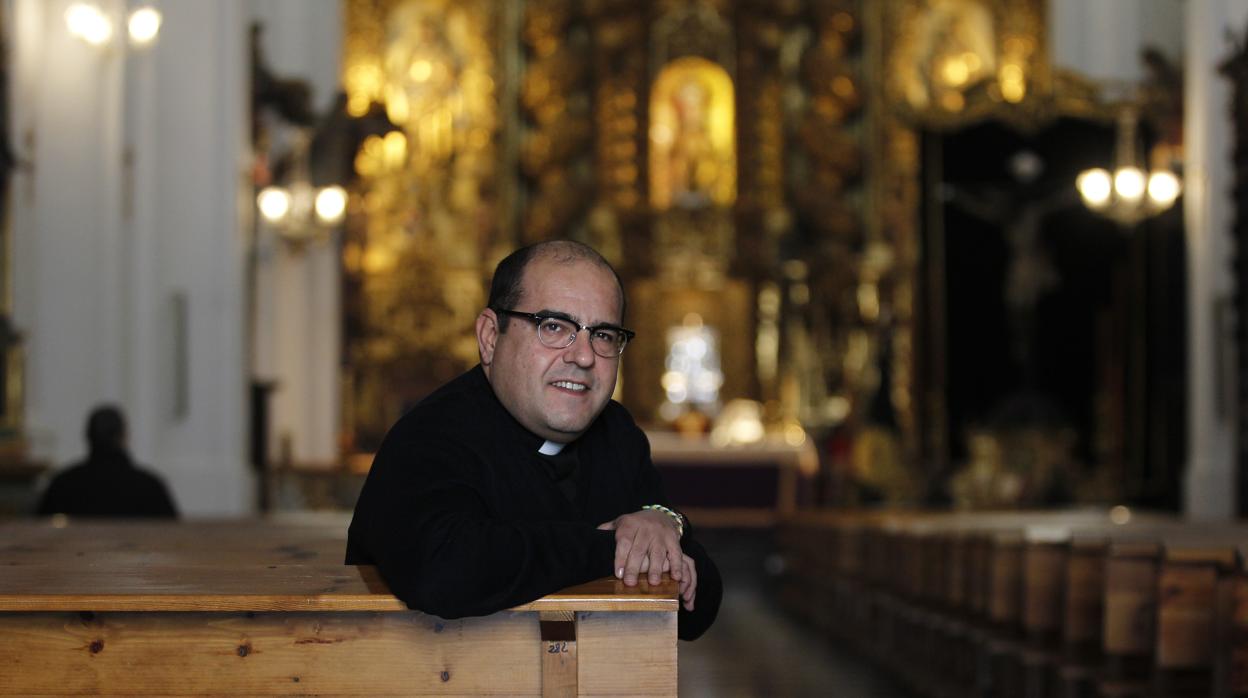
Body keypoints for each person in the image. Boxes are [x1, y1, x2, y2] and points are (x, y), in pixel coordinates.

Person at [347, 240, 721, 640]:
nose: (583, 356)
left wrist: (666, 522)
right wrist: (614, 548)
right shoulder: (429, 436)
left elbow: (694, 610)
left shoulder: (616, 433)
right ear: (491, 336)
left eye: (604, 335)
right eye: (554, 327)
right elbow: (442, 571)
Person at [36, 405, 178, 518]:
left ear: (87, 436)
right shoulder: (150, 487)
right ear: (124, 436)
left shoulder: (61, 485)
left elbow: (39, 528)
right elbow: (172, 532)